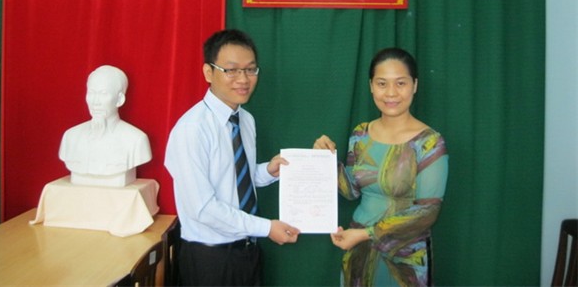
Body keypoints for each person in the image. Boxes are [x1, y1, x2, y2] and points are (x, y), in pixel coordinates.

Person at [164, 29, 300, 286]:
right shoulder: (192, 129)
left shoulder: (245, 119)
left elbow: (234, 178)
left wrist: (267, 172)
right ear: (208, 72)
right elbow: (202, 208)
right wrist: (266, 228)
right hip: (209, 260)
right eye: (231, 70)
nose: (243, 79)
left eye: (250, 70)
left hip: (247, 252)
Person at [314, 48, 448, 286]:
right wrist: (326, 161)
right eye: (382, 83)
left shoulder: (429, 142)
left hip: (405, 258)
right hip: (359, 253)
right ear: (371, 86)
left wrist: (366, 234)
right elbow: (351, 191)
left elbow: (427, 212)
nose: (391, 93)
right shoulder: (361, 134)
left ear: (415, 85)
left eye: (401, 83)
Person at [59, 65, 152, 187]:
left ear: (120, 99)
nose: (95, 102)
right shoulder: (71, 137)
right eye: (91, 93)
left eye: (103, 94)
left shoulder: (136, 140)